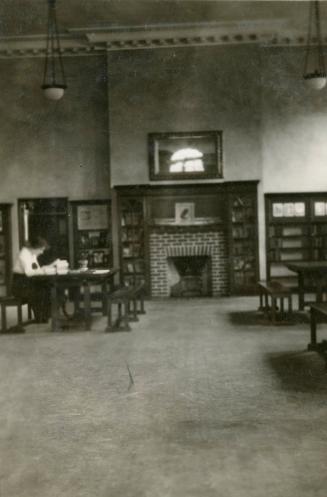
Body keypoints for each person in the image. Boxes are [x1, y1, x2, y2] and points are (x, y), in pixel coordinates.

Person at [12, 236, 59, 323]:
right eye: (41, 249)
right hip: (20, 284)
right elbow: (29, 272)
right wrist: (45, 270)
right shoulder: (24, 254)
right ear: (35, 247)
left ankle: (44, 316)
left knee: (49, 287)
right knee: (42, 290)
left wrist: (49, 266)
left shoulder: (32, 254)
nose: (42, 252)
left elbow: (36, 270)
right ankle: (41, 316)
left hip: (28, 281)